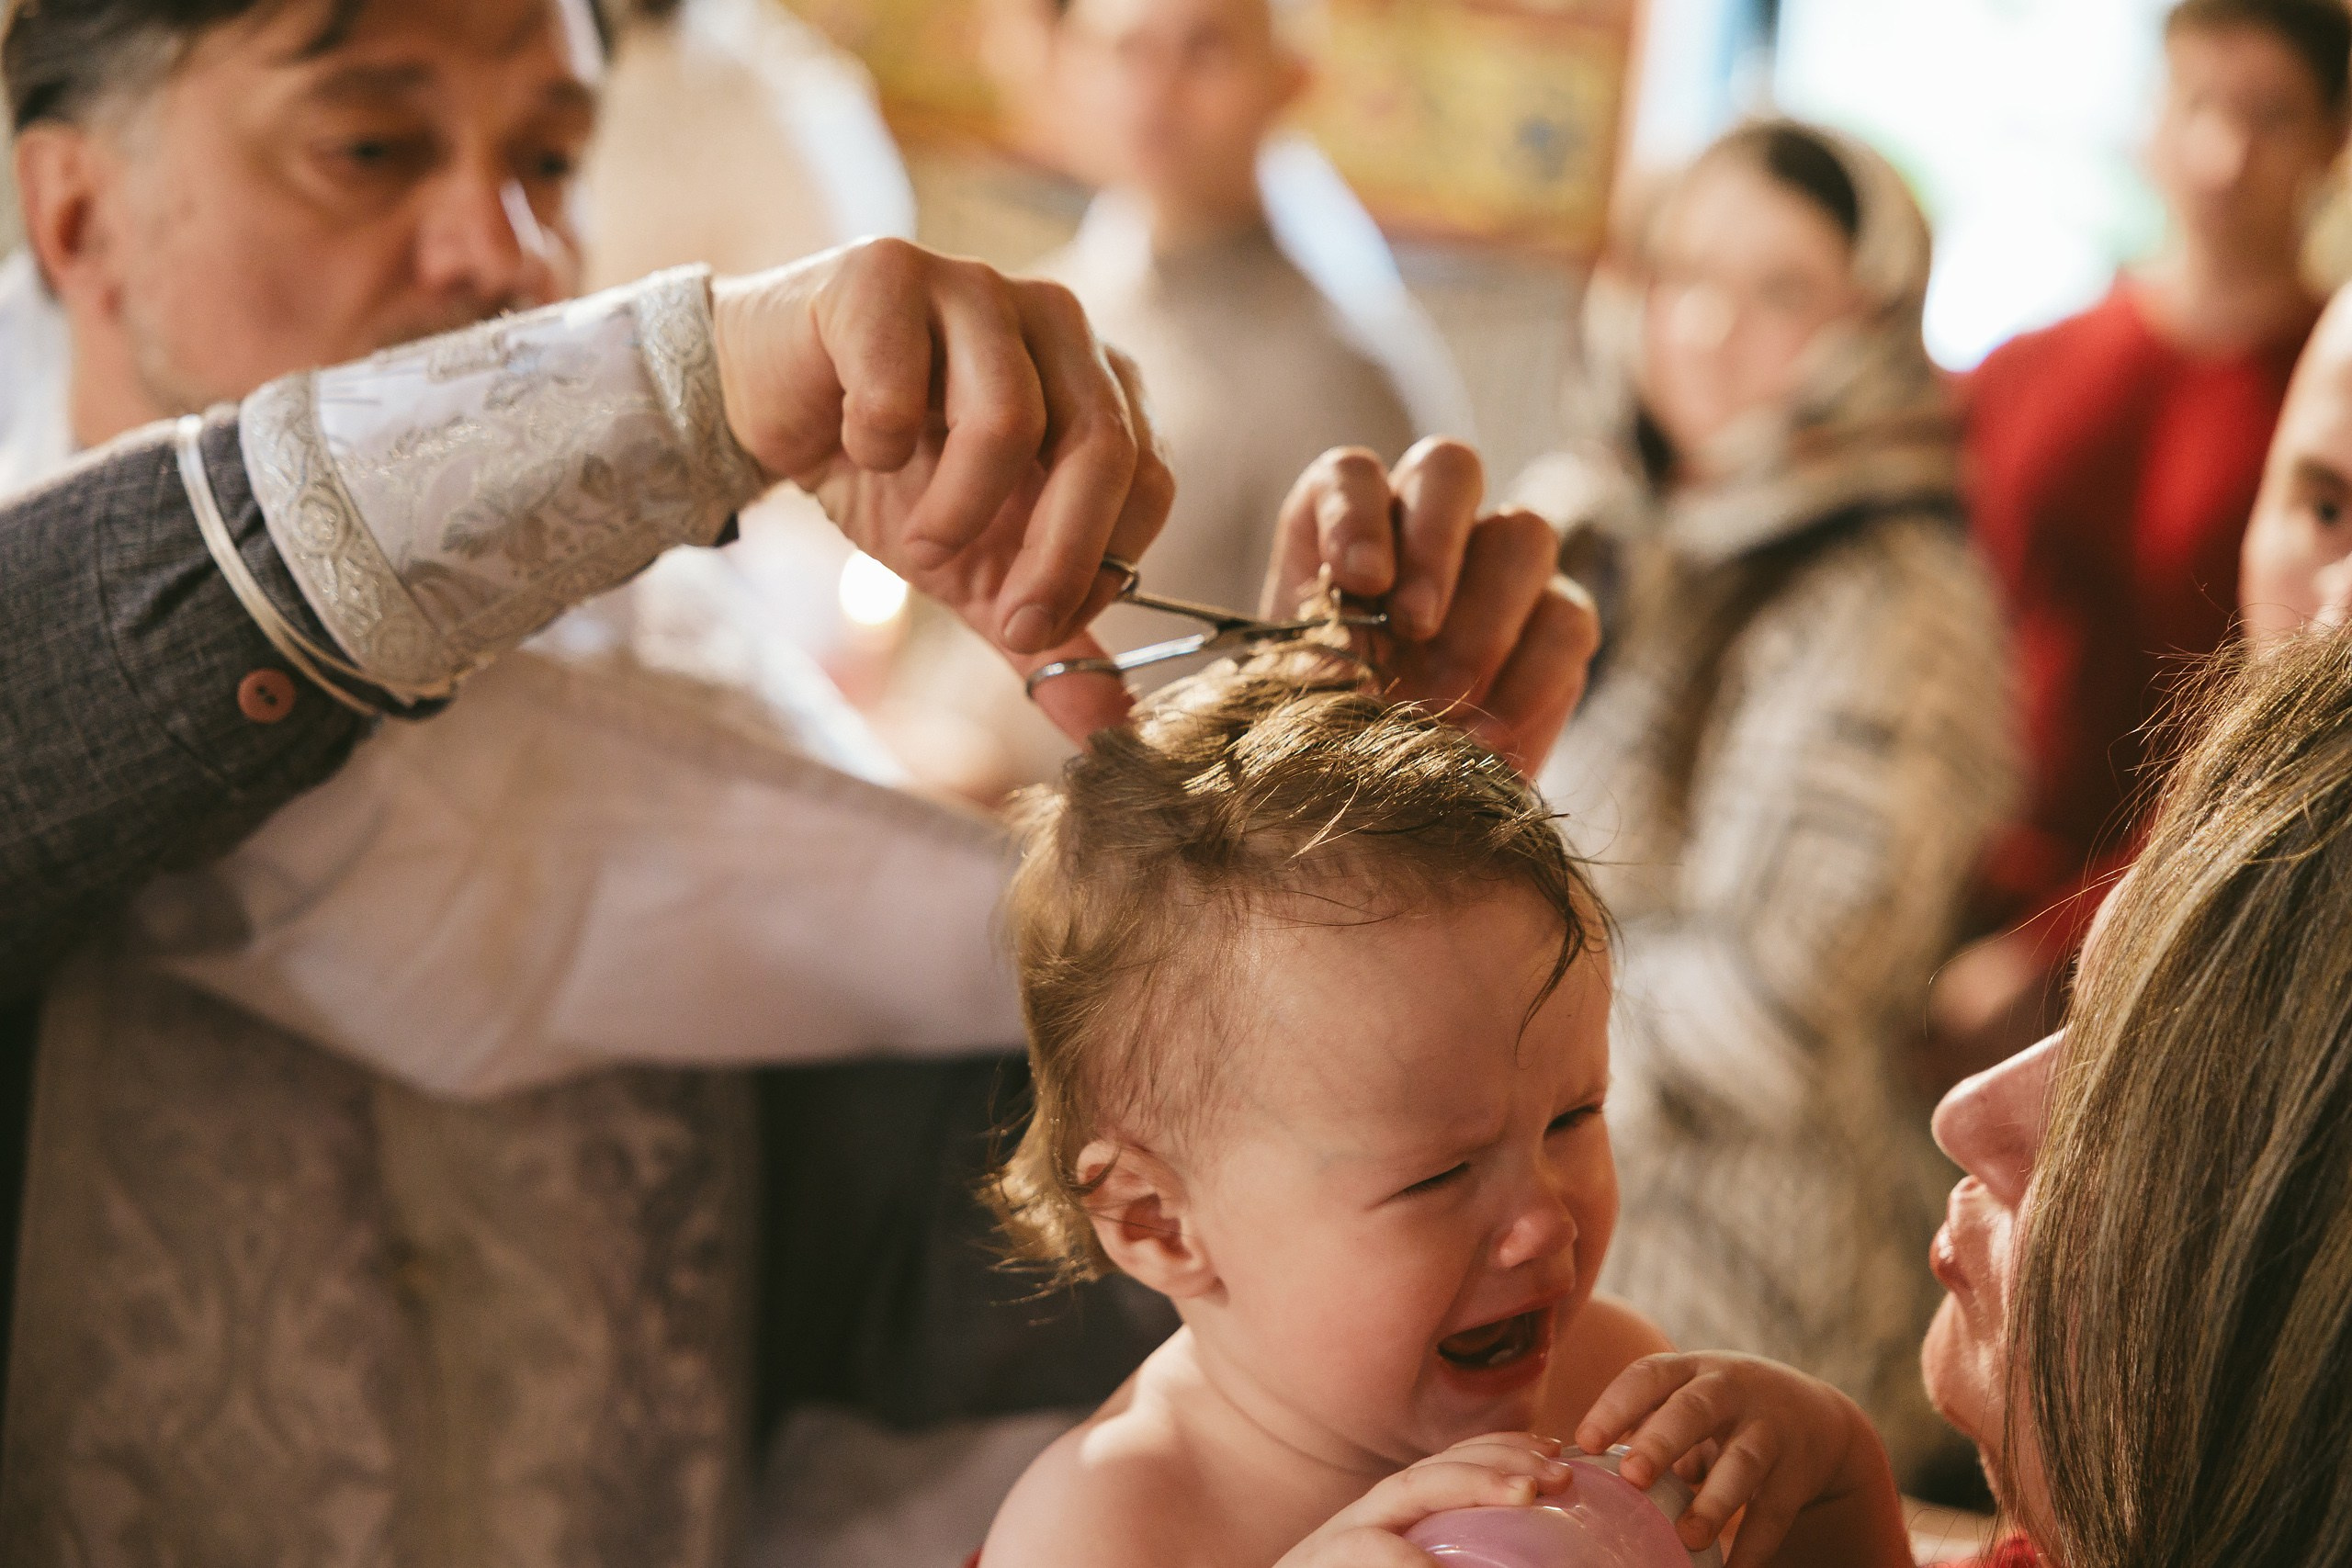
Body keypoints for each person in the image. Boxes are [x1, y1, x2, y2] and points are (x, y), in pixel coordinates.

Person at [1509, 119, 2015, 1483]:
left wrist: (1473, 1027)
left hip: (1743, 1276)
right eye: (1683, 274)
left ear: (1877, 320)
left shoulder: (1896, 599)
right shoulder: (1596, 528)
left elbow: (1776, 1005)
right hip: (1551, 1210)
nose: (1709, 329)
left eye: (1781, 292)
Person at [904, 0, 1469, 797]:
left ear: (1292, 76)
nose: (1155, 90)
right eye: (1125, 49)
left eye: (1204, 51)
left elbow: (1321, 738)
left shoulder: (1340, 368)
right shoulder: (1066, 286)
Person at [1939, 0, 2351, 1087]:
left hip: (2190, 926)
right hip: (1942, 891)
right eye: (2198, 105)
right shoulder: (2026, 367)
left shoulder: (2325, 418)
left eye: (2269, 117)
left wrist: (2060, 944)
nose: (2223, 156)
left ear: (2330, 142)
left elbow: (2286, 705)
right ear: (2149, 117)